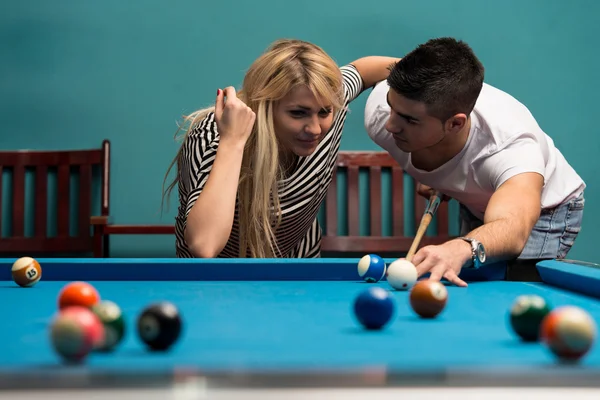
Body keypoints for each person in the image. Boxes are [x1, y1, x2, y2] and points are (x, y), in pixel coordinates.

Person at [364, 37, 585, 287]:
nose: (390, 125)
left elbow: (513, 228)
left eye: (409, 120)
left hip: (544, 209)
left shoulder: (510, 148)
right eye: (392, 108)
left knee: (513, 286)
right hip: (479, 197)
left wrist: (462, 247)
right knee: (474, 275)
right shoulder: (382, 112)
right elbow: (365, 69)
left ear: (455, 124)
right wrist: (440, 177)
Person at [163, 39, 399, 258]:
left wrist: (432, 162)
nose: (315, 129)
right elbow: (205, 246)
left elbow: (367, 68)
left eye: (324, 112)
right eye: (298, 113)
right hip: (215, 284)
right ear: (264, 106)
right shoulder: (214, 135)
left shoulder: (327, 97)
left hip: (297, 273)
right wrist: (233, 142)